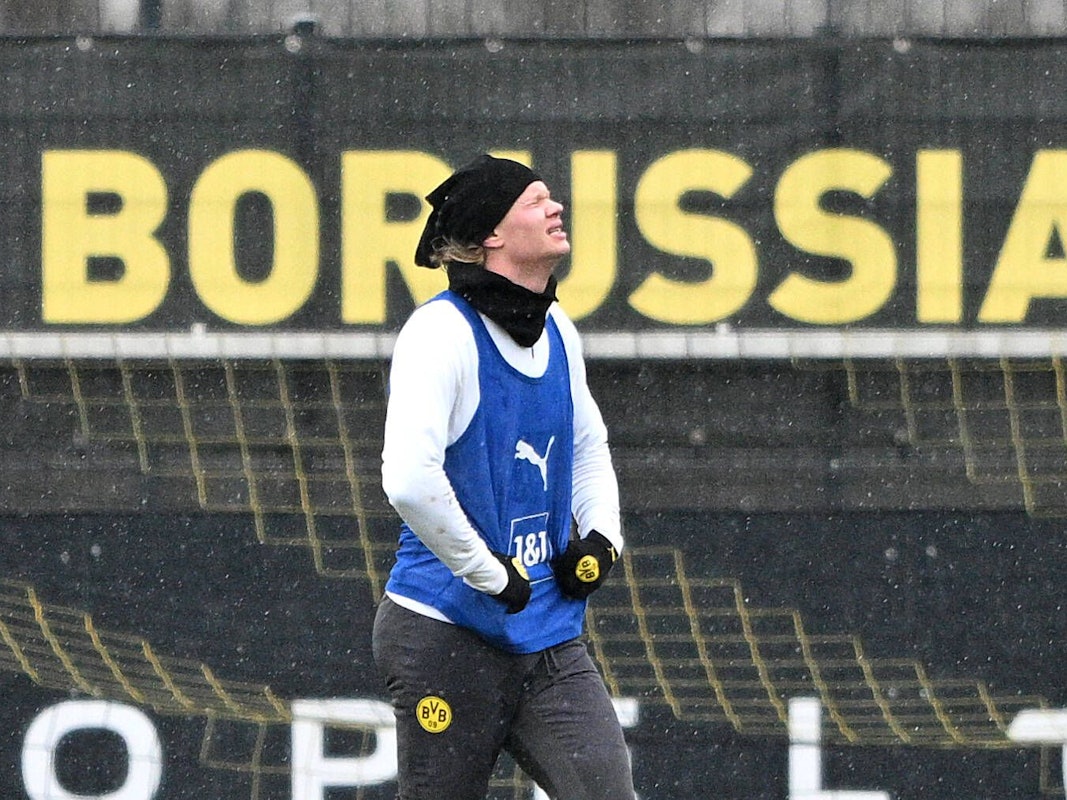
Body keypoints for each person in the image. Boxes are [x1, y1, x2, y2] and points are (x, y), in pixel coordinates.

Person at [373, 154, 635, 800]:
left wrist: (602, 539)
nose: (556, 207)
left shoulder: (558, 329)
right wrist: (488, 573)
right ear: (491, 233)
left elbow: (587, 446)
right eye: (535, 200)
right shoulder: (439, 334)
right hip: (445, 634)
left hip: (548, 639)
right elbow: (407, 480)